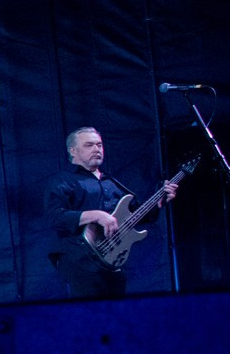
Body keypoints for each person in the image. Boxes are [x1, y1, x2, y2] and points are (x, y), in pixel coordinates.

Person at [44, 127, 177, 298]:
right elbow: (54, 217)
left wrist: (158, 203)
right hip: (80, 259)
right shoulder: (63, 180)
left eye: (99, 145)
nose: (96, 149)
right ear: (73, 151)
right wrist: (97, 215)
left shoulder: (111, 182)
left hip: (112, 261)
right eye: (89, 145)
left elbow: (132, 217)